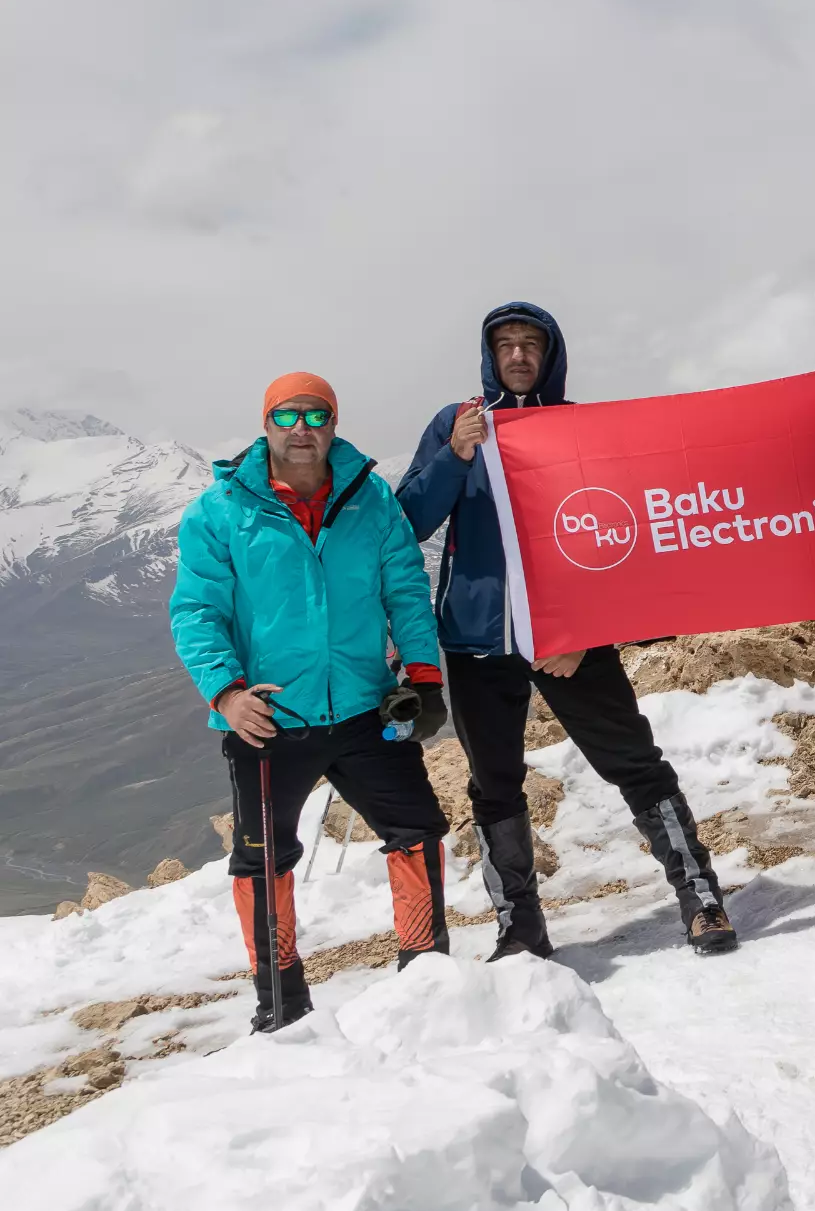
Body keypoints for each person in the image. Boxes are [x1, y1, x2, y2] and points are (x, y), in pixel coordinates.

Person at [399, 304, 737, 957]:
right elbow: (406, 519)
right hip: (478, 639)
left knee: (633, 761)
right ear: (488, 353)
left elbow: (612, 531)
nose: (519, 354)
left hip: (569, 640)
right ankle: (520, 927)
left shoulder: (579, 425)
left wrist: (582, 628)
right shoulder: (456, 423)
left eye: (531, 344)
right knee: (494, 781)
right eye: (507, 344)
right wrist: (455, 454)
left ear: (550, 355)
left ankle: (700, 895)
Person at [168, 374, 452, 1031]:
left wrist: (424, 679)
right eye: (287, 414)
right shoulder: (219, 510)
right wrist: (227, 692)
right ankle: (282, 1002)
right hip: (270, 719)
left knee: (417, 830)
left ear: (332, 422)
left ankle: (427, 975)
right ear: (266, 424)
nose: (302, 427)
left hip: (363, 708)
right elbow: (196, 612)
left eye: (315, 414)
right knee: (263, 858)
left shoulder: (370, 499)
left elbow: (406, 589)